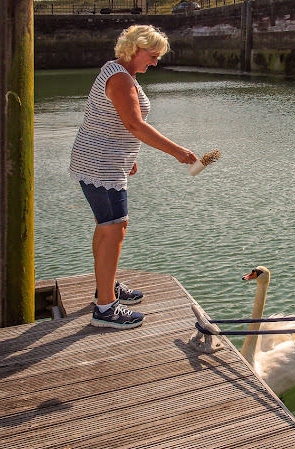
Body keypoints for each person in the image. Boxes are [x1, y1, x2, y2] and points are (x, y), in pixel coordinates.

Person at [70, 24, 197, 329]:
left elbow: (117, 123)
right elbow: (134, 125)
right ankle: (105, 309)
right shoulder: (119, 78)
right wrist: (178, 151)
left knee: (108, 227)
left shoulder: (117, 71)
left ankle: (106, 286)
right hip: (101, 166)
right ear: (137, 49)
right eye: (153, 55)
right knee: (115, 229)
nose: (155, 62)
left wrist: (132, 157)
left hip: (102, 162)